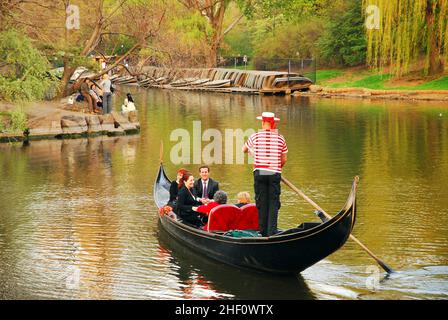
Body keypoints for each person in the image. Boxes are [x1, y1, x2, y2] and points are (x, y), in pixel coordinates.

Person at [243, 112, 288, 237]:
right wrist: (276, 168)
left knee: (261, 201)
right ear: (274, 123)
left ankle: (263, 232)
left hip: (260, 172)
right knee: (273, 202)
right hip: (274, 172)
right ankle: (271, 232)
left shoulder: (255, 136)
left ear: (263, 123)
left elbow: (244, 149)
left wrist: (253, 153)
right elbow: (283, 159)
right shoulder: (280, 138)